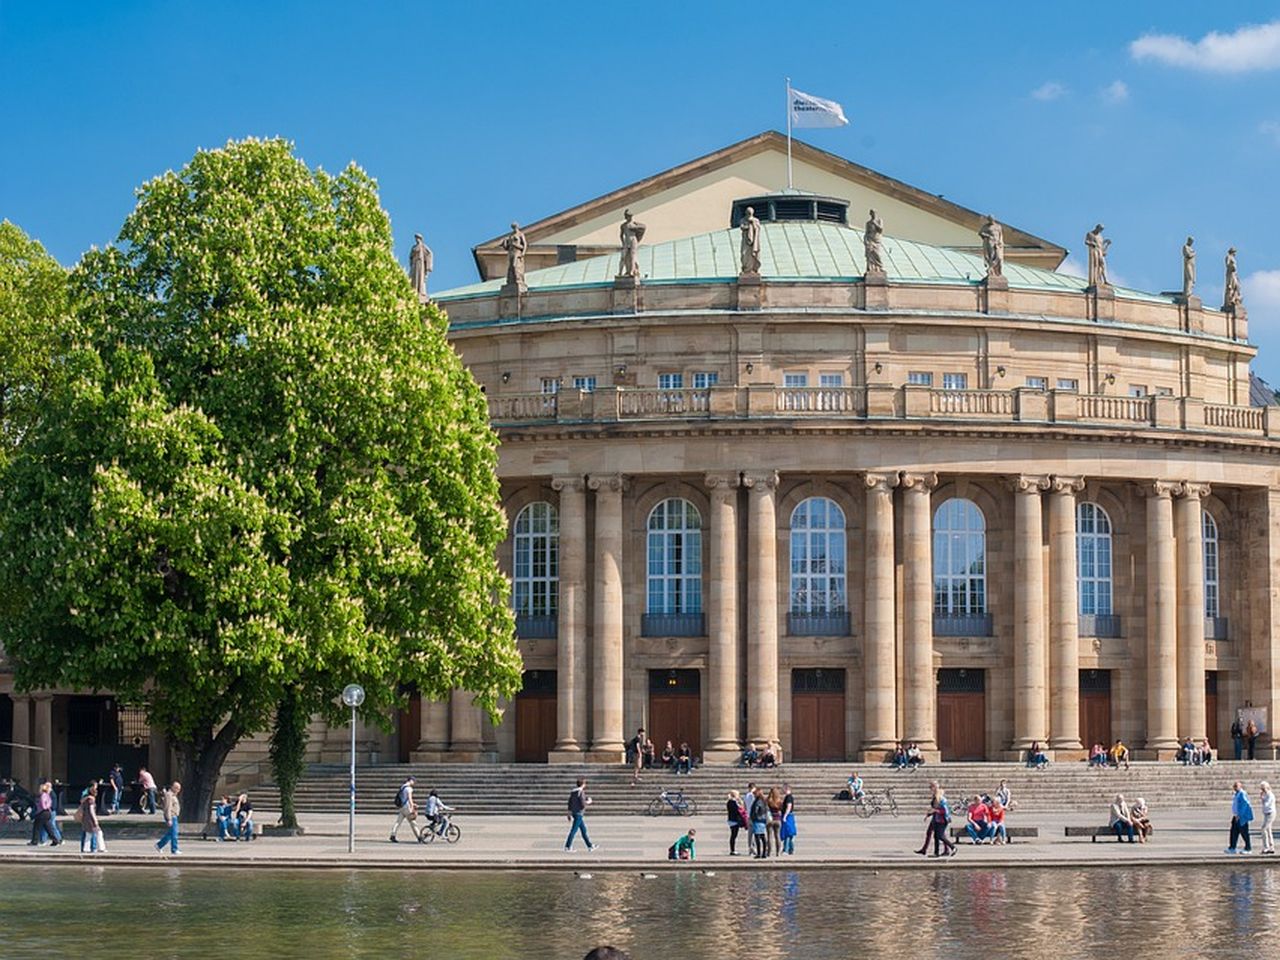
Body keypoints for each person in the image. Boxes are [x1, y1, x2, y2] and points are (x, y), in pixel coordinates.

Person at [565, 778, 595, 852]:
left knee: (583, 830)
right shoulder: (581, 792)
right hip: (579, 813)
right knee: (574, 830)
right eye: (585, 783)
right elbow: (582, 804)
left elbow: (570, 803)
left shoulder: (573, 792)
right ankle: (568, 846)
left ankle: (590, 846)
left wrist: (569, 813)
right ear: (583, 784)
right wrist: (588, 802)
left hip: (574, 813)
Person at [28, 780, 59, 847]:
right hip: (48, 812)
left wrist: (41, 809)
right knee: (48, 827)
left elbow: (43, 805)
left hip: (42, 812)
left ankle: (34, 841)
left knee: (36, 827)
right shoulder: (48, 795)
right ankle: (55, 840)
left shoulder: (42, 796)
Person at [1227, 780, 1254, 854]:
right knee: (1234, 832)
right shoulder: (1237, 794)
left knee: (1244, 832)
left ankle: (1248, 848)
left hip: (1241, 817)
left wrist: (1239, 815)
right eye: (1234, 786)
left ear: (1240, 786)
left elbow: (1244, 805)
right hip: (1236, 816)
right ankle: (1232, 847)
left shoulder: (1242, 794)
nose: (1235, 787)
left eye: (1236, 786)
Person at [390, 775, 419, 843]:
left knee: (398, 822)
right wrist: (412, 807)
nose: (414, 783)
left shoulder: (403, 787)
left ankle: (393, 835)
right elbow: (409, 799)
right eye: (413, 781)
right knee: (413, 822)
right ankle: (419, 836)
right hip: (407, 808)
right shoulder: (409, 789)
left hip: (401, 807)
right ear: (411, 780)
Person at [155, 781, 181, 856]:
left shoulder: (173, 795)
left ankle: (159, 845)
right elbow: (167, 807)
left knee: (170, 834)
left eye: (179, 789)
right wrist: (168, 819)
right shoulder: (169, 795)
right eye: (177, 788)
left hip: (175, 816)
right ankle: (174, 849)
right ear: (173, 787)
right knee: (174, 834)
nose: (178, 790)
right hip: (172, 816)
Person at [931, 788, 957, 858]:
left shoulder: (942, 801)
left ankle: (953, 847)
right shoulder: (937, 800)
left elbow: (945, 811)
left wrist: (936, 811)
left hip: (942, 820)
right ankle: (936, 852)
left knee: (940, 836)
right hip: (937, 820)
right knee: (936, 836)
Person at [78, 783, 101, 853]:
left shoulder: (90, 795)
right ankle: (92, 847)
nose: (96, 788)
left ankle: (86, 847)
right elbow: (82, 801)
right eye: (95, 786)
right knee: (91, 832)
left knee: (86, 832)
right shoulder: (87, 794)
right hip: (88, 816)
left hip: (86, 816)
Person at [749, 786, 769, 859]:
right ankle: (764, 853)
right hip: (763, 820)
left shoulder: (757, 801)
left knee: (757, 837)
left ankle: (759, 853)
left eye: (754, 794)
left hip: (757, 820)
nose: (753, 795)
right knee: (763, 837)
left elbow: (755, 811)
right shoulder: (764, 800)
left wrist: (752, 818)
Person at [726, 790, 748, 855]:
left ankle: (733, 849)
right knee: (733, 835)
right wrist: (740, 805)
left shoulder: (732, 802)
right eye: (738, 795)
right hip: (734, 820)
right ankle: (732, 850)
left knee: (734, 835)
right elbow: (737, 811)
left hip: (732, 820)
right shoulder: (732, 802)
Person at [766, 787, 783, 857]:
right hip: (778, 819)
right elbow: (782, 810)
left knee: (769, 836)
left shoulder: (768, 800)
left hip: (770, 819)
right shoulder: (780, 801)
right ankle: (778, 852)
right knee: (777, 836)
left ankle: (769, 852)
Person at [779, 784, 797, 855]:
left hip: (788, 816)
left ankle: (786, 849)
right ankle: (790, 849)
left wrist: (785, 816)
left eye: (783, 789)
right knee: (789, 833)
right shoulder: (788, 797)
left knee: (788, 833)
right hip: (788, 816)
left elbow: (789, 807)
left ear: (787, 789)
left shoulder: (789, 797)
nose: (782, 791)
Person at [1260, 782, 1276, 855]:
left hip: (1270, 813)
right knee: (1268, 830)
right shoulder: (1265, 794)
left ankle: (1266, 847)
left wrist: (1262, 798)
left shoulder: (1270, 795)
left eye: (1263, 788)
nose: (1262, 790)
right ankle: (1271, 846)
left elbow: (1267, 804)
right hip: (1266, 813)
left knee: (1263, 828)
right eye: (1262, 788)